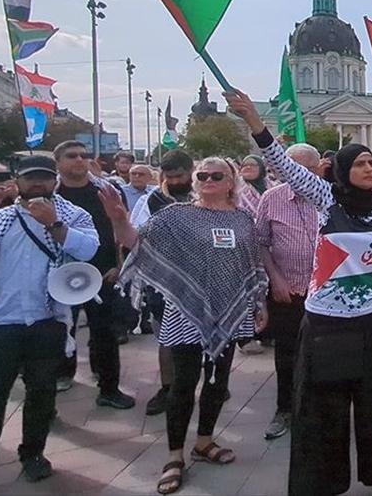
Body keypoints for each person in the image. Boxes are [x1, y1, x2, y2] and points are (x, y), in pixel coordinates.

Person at [226, 89, 372, 496]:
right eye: (362, 163)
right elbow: (281, 163)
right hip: (327, 324)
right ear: (343, 169)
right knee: (323, 408)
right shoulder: (324, 197)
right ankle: (322, 484)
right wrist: (254, 121)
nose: (370, 168)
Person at [106, 156, 266, 495]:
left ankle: (204, 442)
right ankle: (174, 456)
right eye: (202, 175)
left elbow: (252, 264)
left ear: (230, 182)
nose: (208, 179)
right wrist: (119, 220)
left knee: (217, 382)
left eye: (216, 175)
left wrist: (257, 303)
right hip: (185, 312)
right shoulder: (175, 216)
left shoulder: (242, 220)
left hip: (228, 313)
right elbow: (136, 242)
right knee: (182, 384)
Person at [0, 156, 100, 490]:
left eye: (44, 178)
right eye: (31, 179)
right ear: (18, 182)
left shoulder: (73, 216)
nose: (38, 185)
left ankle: (33, 454)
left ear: (54, 181)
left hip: (46, 321)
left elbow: (89, 251)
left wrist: (55, 224)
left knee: (42, 393)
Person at [52, 140, 135, 409]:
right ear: (58, 162)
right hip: (59, 273)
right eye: (71, 156)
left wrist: (118, 263)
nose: (79, 160)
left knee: (105, 331)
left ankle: (109, 387)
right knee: (62, 326)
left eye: (83, 155)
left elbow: (120, 226)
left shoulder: (106, 190)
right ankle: (63, 372)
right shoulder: (50, 192)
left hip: (101, 270)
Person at [254, 143, 321, 440]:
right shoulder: (271, 199)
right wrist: (275, 278)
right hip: (287, 291)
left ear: (318, 170)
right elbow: (260, 243)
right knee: (287, 354)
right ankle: (285, 409)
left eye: (306, 168)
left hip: (325, 295)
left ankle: (318, 411)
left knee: (323, 355)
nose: (298, 174)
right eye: (292, 167)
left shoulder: (331, 199)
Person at [130, 150, 196, 417]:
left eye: (180, 176)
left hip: (201, 277)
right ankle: (168, 387)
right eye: (169, 177)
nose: (175, 181)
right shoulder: (151, 200)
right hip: (164, 279)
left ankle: (208, 382)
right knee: (166, 338)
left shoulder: (205, 194)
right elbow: (136, 234)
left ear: (191, 171)